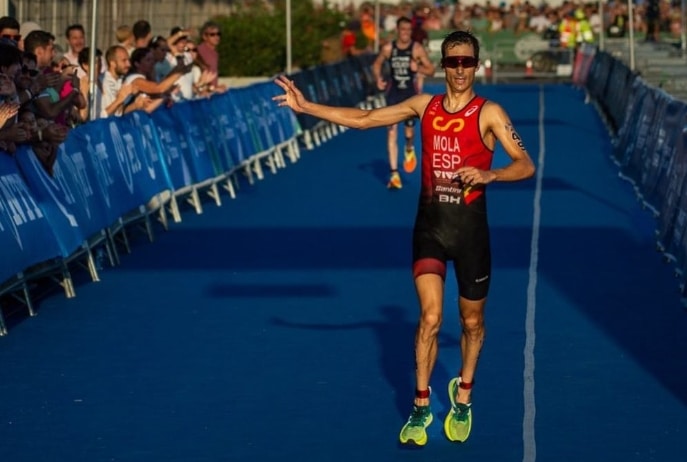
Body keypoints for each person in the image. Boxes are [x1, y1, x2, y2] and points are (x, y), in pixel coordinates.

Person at [274, 29, 535, 447]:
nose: (461, 69)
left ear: (477, 64)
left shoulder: (491, 113)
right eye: (453, 62)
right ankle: (420, 406)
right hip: (429, 230)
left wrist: (492, 173)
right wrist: (306, 107)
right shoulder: (423, 106)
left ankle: (463, 394)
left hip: (471, 236)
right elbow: (364, 120)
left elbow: (526, 164)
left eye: (467, 61)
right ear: (443, 64)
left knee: (471, 322)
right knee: (430, 318)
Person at [372, 16, 435, 190]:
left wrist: (419, 69)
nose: (406, 33)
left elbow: (431, 70)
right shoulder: (388, 48)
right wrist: (378, 78)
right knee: (391, 133)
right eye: (403, 30)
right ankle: (394, 174)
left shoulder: (416, 49)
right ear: (398, 30)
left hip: (410, 96)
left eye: (408, 30)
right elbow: (376, 64)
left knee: (408, 132)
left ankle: (409, 147)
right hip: (393, 94)